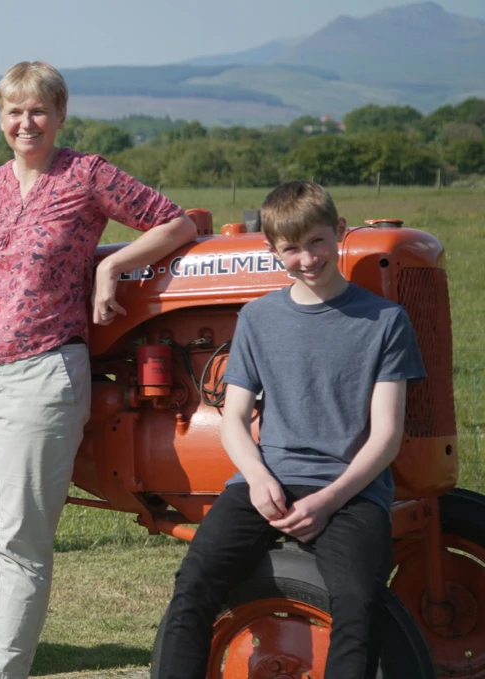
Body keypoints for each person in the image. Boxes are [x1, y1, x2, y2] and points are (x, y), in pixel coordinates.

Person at [0, 61, 197, 679]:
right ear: (0, 119)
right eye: (15, 111)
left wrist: (109, 268)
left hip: (41, 374)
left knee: (21, 541)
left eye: (39, 110)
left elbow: (175, 222)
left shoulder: (86, 174)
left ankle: (4, 673)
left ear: (60, 115)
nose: (27, 122)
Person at [154, 181, 424, 679]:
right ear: (271, 250)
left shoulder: (386, 320)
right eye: (291, 248)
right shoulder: (258, 318)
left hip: (350, 489)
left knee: (358, 602)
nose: (307, 258)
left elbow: (385, 436)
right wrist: (257, 479)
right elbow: (234, 420)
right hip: (266, 482)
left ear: (340, 232)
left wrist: (326, 502)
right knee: (193, 586)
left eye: (317, 241)